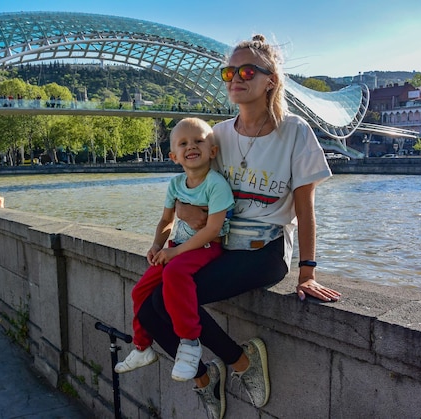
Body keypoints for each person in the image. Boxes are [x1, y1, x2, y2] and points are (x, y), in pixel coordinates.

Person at [136, 35, 341, 419]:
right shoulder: (218, 135)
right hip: (219, 244)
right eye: (229, 71)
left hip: (266, 251)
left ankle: (242, 362)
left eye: (247, 71)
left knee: (173, 297)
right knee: (148, 310)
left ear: (271, 81)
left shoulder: (295, 132)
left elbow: (305, 208)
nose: (235, 78)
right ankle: (204, 378)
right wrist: (181, 207)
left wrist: (307, 272)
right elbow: (191, 185)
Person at [114, 117, 234, 382]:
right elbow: (167, 220)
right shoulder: (175, 185)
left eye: (198, 141)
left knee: (175, 273)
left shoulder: (217, 185)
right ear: (174, 156)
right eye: (183, 143)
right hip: (178, 248)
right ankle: (142, 347)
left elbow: (213, 230)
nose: (191, 147)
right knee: (140, 290)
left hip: (206, 247)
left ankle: (190, 342)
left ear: (212, 151)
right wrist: (157, 245)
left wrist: (174, 254)